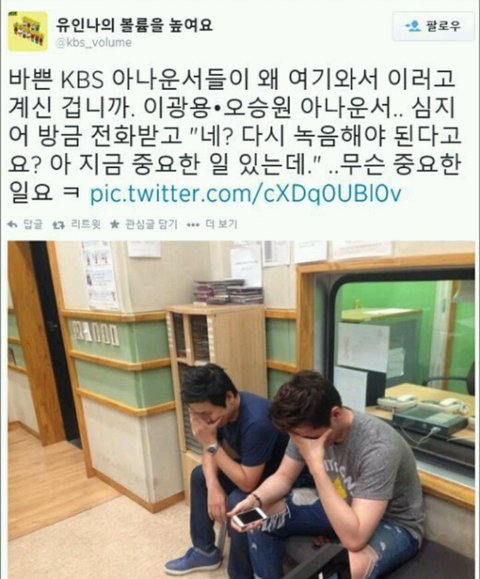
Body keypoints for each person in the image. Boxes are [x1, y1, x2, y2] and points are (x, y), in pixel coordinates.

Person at [229, 371, 425, 579]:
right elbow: (284, 477)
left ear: (336, 415)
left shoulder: (378, 447)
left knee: (342, 567)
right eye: (298, 437)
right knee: (261, 516)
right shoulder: (303, 430)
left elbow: (355, 539)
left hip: (394, 523)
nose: (303, 443)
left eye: (310, 438)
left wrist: (316, 466)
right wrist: (256, 499)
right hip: (344, 504)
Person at [164, 363, 289, 578]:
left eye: (206, 414)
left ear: (229, 397)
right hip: (254, 471)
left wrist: (210, 442)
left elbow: (247, 483)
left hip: (282, 481)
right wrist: (213, 486)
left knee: (237, 501)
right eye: (195, 414)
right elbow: (210, 449)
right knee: (200, 476)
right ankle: (204, 551)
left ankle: (241, 574)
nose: (203, 421)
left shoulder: (257, 421)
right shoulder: (221, 413)